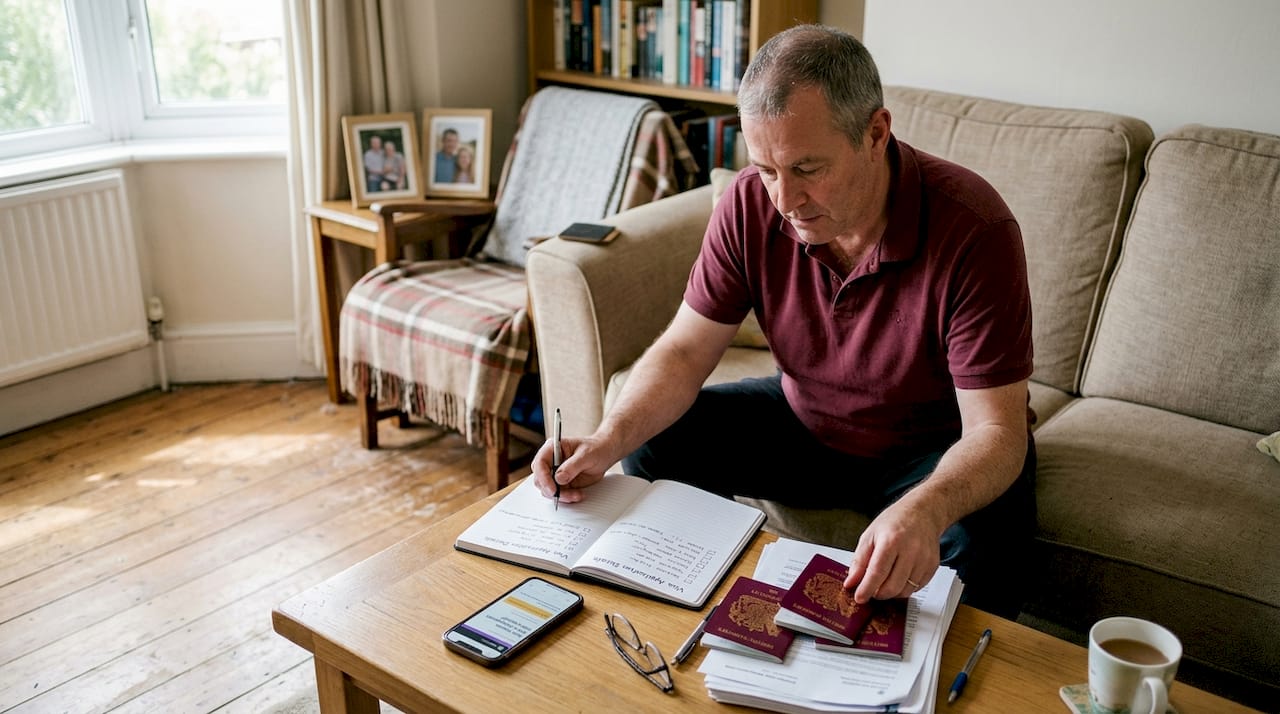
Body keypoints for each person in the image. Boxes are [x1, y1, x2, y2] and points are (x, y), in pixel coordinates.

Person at [532, 24, 1036, 618]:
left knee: (981, 557)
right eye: (767, 169)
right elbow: (686, 350)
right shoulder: (749, 202)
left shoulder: (974, 228)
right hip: (807, 422)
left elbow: (995, 434)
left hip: (936, 447)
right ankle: (698, 614)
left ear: (876, 133)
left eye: (807, 168)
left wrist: (925, 508)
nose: (784, 200)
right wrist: (605, 437)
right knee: (656, 439)